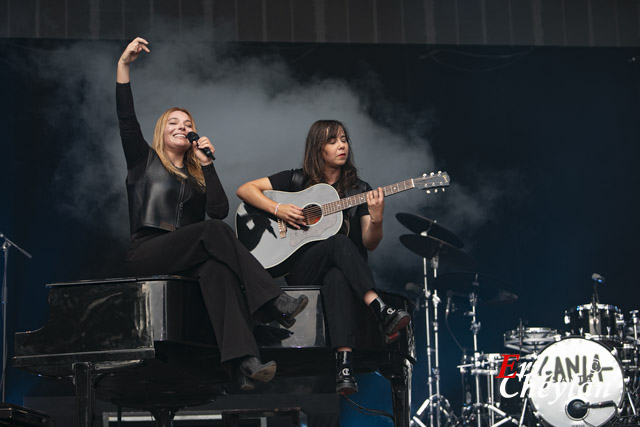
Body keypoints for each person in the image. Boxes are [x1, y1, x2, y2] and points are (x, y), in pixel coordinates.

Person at [116, 37, 308, 391]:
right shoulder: (143, 161)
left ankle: (244, 364)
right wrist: (124, 67)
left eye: (186, 123)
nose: (180, 126)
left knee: (217, 268)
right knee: (211, 232)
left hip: (186, 254)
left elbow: (219, 210)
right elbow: (126, 118)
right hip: (147, 250)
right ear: (163, 130)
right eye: (173, 122)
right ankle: (270, 300)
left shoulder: (196, 175)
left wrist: (208, 166)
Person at [236, 120, 410, 395]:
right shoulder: (296, 180)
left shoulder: (360, 189)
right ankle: (379, 308)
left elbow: (370, 243)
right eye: (332, 141)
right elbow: (245, 190)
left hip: (344, 274)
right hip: (303, 270)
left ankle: (344, 366)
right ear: (318, 148)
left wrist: (376, 220)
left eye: (344, 139)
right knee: (337, 241)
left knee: (337, 277)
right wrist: (279, 209)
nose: (342, 145)